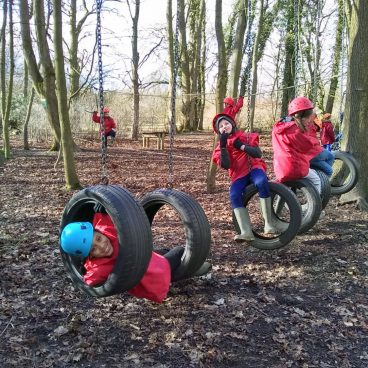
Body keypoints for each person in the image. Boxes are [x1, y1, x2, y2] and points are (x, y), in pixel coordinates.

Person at [60, 210, 211, 303]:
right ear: (89, 256)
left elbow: (104, 220)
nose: (102, 246)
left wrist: (101, 207)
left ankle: (184, 267)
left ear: (99, 232)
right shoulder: (100, 267)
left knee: (163, 250)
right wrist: (82, 269)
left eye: (98, 239)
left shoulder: (107, 231)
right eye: (94, 249)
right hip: (149, 275)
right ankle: (195, 268)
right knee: (179, 251)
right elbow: (90, 281)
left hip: (144, 258)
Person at [211, 113, 287, 241]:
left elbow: (258, 154)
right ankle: (246, 231)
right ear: (219, 130)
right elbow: (226, 165)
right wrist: (224, 146)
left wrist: (240, 145)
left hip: (254, 167)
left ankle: (269, 222)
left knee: (261, 181)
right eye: (221, 126)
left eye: (226, 123)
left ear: (232, 124)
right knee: (234, 194)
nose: (224, 126)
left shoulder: (245, 137)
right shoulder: (220, 146)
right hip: (238, 174)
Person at [272, 96, 328, 194]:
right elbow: (307, 147)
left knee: (286, 189)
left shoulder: (279, 126)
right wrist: (316, 143)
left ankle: (284, 203)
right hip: (294, 167)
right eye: (308, 119)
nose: (309, 122)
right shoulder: (295, 131)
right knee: (316, 179)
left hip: (280, 167)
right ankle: (314, 205)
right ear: (302, 117)